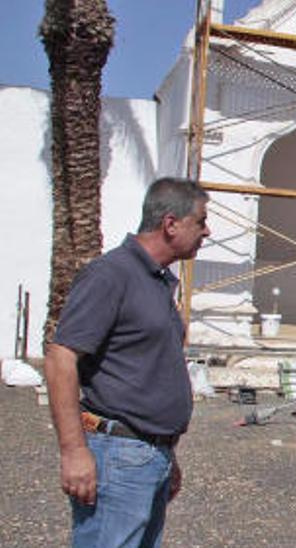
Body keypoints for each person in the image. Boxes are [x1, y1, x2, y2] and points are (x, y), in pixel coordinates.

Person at [45, 177, 210, 547]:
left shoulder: (155, 280)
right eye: (200, 221)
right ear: (171, 224)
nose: (207, 231)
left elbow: (144, 369)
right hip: (117, 457)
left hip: (147, 455)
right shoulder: (112, 274)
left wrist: (164, 450)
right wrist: (74, 452)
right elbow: (61, 358)